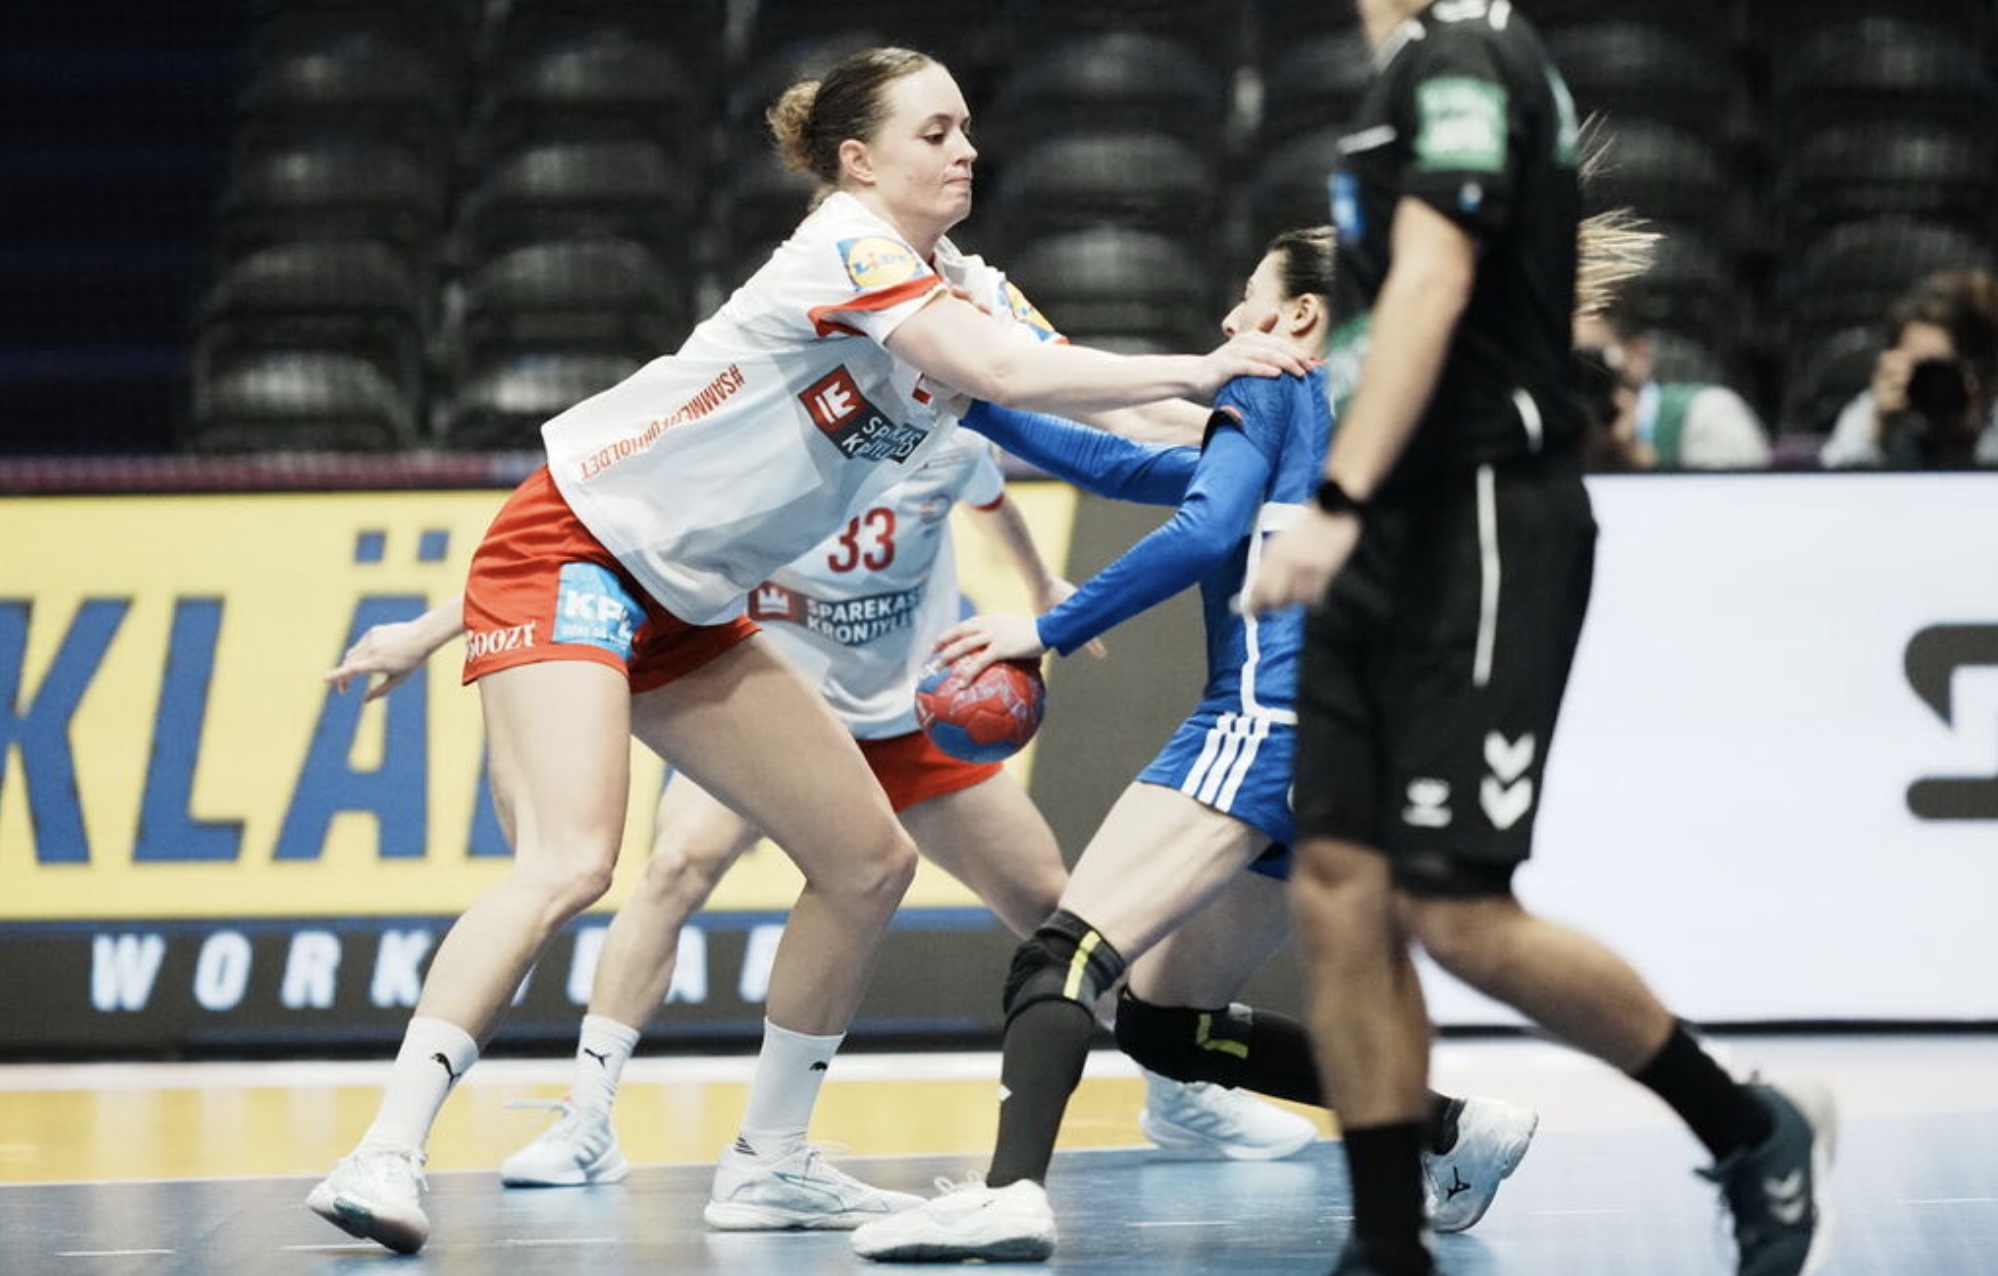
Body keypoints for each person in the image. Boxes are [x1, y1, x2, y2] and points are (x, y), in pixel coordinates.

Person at [303, 44, 1308, 1255]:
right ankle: (386, 1150)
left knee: (867, 861)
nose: (967, 150)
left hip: (691, 603)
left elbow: (1100, 407)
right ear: (858, 160)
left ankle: (769, 1161)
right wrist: (1212, 362)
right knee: (572, 860)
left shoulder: (966, 283)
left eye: (968, 128)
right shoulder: (847, 246)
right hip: (572, 552)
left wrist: (1296, 432)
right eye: (935, 132)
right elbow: (1001, 373)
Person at [326, 434, 1320, 1209]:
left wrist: (1038, 584)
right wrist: (429, 628)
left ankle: (1178, 1095)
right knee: (674, 868)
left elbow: (994, 500)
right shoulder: (768, 455)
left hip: (915, 715)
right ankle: (587, 1116)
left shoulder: (946, 437)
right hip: (777, 711)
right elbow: (600, 540)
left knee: (1062, 915)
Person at [1242, 3, 1836, 1274]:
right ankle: (1386, 1243)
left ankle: (1747, 1127)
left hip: (1477, 516)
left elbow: (1436, 280)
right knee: (1339, 887)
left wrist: (1336, 498)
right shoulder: (1410, 68)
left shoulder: (1464, 52)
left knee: (1453, 911)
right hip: (1388, 521)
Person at [851, 226, 1537, 1266]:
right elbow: (1131, 466)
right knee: (1165, 1020)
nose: (1228, 320)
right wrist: (969, 396)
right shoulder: (1367, 417)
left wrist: (1048, 627)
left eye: (1247, 297)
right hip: (1357, 751)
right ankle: (1449, 1130)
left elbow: (1207, 529)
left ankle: (1007, 1195)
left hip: (1268, 718)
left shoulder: (1272, 382)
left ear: (1299, 315)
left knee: (1062, 954)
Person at [1817, 266, 1998, 470]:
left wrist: (1975, 428)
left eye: (1941, 368)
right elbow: (1838, 482)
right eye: (1919, 367)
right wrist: (1879, 430)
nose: (1932, 382)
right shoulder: (1873, 412)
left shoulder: (1992, 410)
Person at [1571, 292, 1772, 471]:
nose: (1582, 379)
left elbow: (1734, 498)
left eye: (1593, 362)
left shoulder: (1707, 414)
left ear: (1638, 355)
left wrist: (1635, 462)